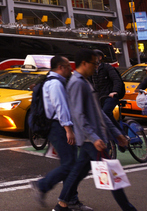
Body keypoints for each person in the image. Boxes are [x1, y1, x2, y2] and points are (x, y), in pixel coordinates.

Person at [56, 49, 134, 211]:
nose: (96, 66)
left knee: (78, 172)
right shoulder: (77, 83)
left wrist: (116, 134)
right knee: (112, 176)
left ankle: (61, 204)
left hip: (91, 139)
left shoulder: (85, 81)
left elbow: (98, 113)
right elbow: (78, 115)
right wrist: (94, 137)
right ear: (84, 63)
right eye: (94, 63)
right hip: (92, 140)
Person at [31, 56, 80, 208]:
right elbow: (60, 107)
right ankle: (42, 185)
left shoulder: (52, 81)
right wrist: (68, 129)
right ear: (60, 67)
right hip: (58, 127)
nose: (70, 69)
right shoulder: (55, 84)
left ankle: (71, 199)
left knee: (70, 163)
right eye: (68, 66)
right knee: (70, 164)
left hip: (58, 127)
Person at [91, 49, 125, 127]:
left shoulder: (107, 67)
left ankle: (119, 132)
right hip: (99, 97)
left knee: (106, 113)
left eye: (94, 57)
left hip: (110, 96)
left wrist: (115, 91)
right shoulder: (92, 71)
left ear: (100, 58)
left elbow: (116, 80)